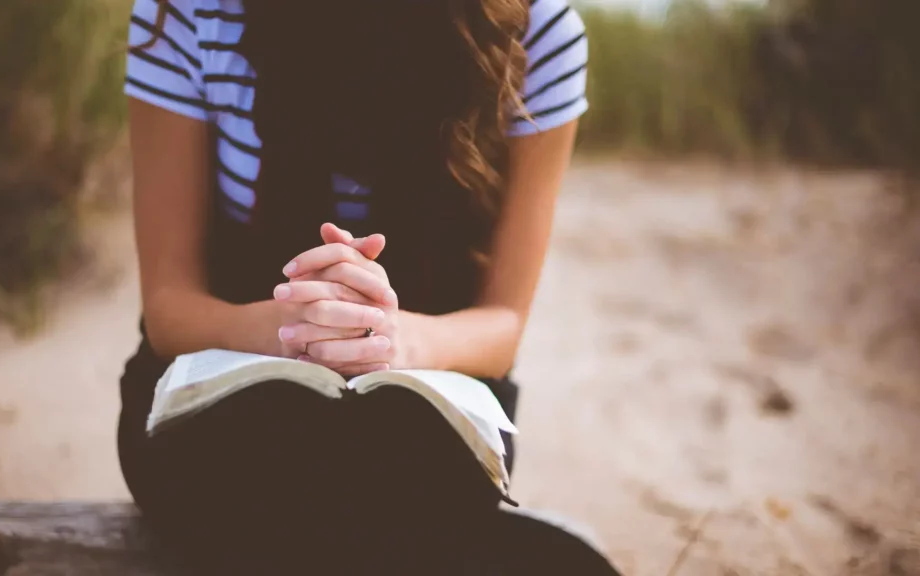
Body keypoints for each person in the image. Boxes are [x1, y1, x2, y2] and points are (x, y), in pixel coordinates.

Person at [117, 0, 620, 573]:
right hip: (218, 390)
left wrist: (388, 340)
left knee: (388, 473)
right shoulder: (191, 12)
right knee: (276, 474)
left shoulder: (536, 33)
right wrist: (293, 329)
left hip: (428, 401)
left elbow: (502, 324)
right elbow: (168, 308)